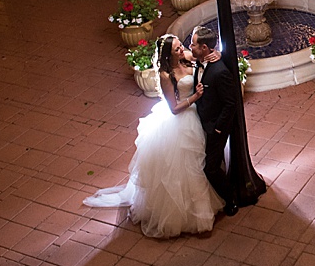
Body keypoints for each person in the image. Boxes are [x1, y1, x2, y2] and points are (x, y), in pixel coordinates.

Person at [82, 34, 223, 238]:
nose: (181, 49)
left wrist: (215, 55)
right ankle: (190, 215)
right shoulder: (166, 76)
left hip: (196, 114)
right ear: (168, 55)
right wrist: (194, 97)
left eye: (180, 46)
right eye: (176, 49)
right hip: (183, 117)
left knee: (201, 161)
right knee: (185, 167)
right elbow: (174, 108)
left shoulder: (186, 56)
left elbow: (204, 56)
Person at [189, 25, 241, 216]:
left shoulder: (219, 72)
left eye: (193, 44)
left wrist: (218, 129)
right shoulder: (200, 61)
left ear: (204, 47)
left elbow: (230, 103)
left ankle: (231, 198)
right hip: (199, 121)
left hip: (215, 128)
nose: (190, 47)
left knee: (210, 168)